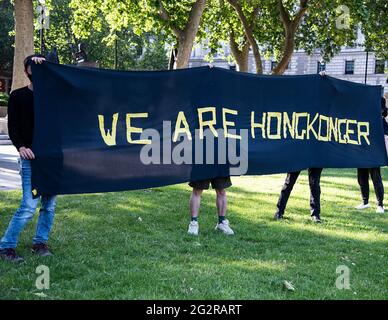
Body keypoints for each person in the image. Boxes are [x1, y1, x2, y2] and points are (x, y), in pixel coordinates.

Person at [0, 54, 57, 263]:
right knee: (28, 205)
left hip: (52, 160)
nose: (38, 68)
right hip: (30, 159)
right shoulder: (18, 96)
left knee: (49, 205)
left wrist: (48, 65)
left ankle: (40, 243)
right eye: (34, 65)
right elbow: (13, 126)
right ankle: (6, 246)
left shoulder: (53, 97)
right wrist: (21, 147)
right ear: (27, 71)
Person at [355, 97, 387, 214]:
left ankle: (380, 205)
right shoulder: (363, 117)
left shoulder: (380, 121)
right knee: (361, 177)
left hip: (374, 153)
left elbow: (386, 132)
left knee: (376, 178)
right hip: (362, 151)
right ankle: (365, 202)